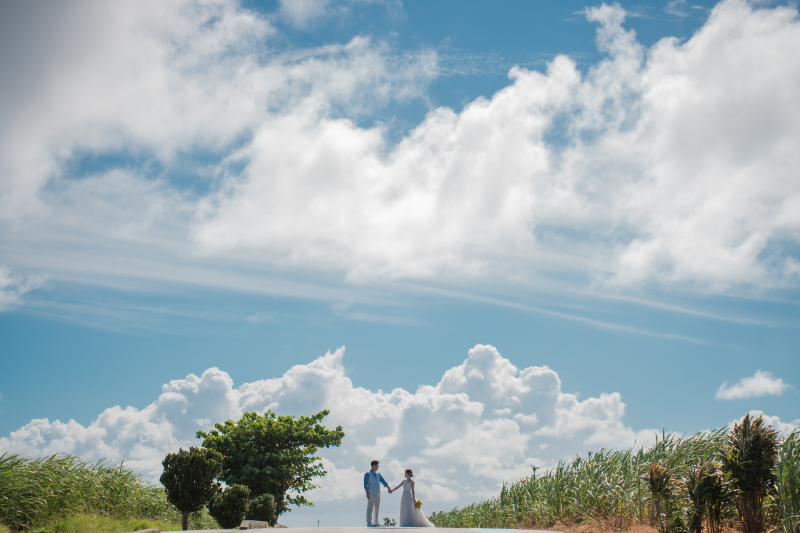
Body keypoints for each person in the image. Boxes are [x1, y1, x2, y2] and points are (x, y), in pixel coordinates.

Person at [364, 459, 392, 527]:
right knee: (370, 507)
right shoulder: (368, 474)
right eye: (376, 466)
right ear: (373, 466)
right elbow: (365, 485)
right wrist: (367, 493)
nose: (377, 467)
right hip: (371, 492)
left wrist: (388, 488)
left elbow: (383, 481)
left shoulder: (378, 474)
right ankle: (369, 522)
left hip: (378, 492)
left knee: (376, 507)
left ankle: (376, 522)